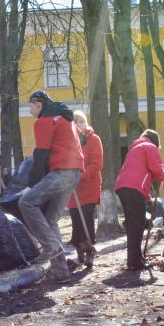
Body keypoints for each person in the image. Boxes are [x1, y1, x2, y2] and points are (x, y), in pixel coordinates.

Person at [18, 90, 84, 282]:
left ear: (39, 105)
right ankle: (60, 271)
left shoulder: (45, 121)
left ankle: (50, 246)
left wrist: (31, 184)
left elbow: (41, 154)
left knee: (26, 203)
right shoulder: (66, 118)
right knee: (51, 219)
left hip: (61, 172)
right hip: (75, 172)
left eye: (31, 106)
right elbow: (84, 139)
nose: (30, 111)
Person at [115, 130, 164, 270]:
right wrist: (163, 176)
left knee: (133, 226)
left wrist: (148, 197)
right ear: (155, 141)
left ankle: (134, 259)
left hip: (122, 187)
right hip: (134, 188)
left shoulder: (135, 148)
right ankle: (136, 262)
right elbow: (156, 168)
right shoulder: (150, 147)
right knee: (137, 226)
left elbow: (137, 172)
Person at [66, 110, 103, 268]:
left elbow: (96, 164)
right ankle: (79, 251)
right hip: (73, 190)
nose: (79, 125)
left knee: (87, 219)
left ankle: (89, 252)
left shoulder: (93, 139)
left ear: (85, 122)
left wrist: (80, 177)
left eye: (81, 121)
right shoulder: (69, 141)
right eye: (75, 122)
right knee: (76, 222)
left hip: (89, 186)